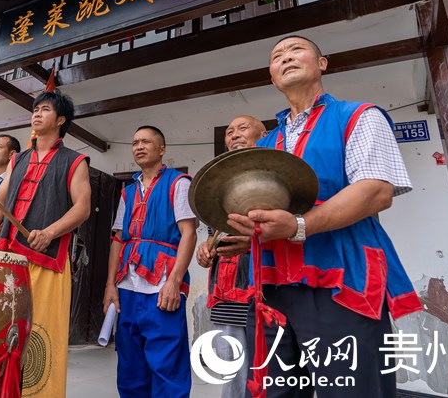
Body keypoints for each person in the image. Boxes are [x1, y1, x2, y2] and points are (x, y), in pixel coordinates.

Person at [227, 35, 422, 397]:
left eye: (296, 50)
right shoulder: (266, 144)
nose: (286, 57)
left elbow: (376, 190)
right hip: (271, 287)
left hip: (342, 279)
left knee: (351, 390)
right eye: (277, 56)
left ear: (322, 63)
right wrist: (247, 234)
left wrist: (298, 225)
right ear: (272, 77)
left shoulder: (358, 116)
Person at [0, 90, 91, 398]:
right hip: (9, 256)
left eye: (45, 109)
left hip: (47, 260)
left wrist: (50, 232)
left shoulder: (75, 160)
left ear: (61, 120)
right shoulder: (17, 159)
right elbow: (0, 199)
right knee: (0, 328)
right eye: (35, 109)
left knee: (42, 333)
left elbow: (82, 208)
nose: (37, 114)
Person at [103, 125, 197, 398]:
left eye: (146, 141)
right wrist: (110, 286)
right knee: (130, 367)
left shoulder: (178, 183)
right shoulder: (128, 192)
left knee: (167, 365)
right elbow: (118, 240)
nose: (139, 147)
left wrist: (174, 282)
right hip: (127, 288)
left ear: (162, 149)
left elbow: (189, 233)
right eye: (135, 143)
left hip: (162, 286)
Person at [195, 115, 266, 398]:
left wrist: (253, 242)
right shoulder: (219, 181)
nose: (234, 135)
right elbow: (214, 233)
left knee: (269, 366)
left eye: (243, 128)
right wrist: (206, 249)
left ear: (263, 135)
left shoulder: (274, 173)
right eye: (229, 132)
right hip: (226, 287)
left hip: (263, 286)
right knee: (233, 365)